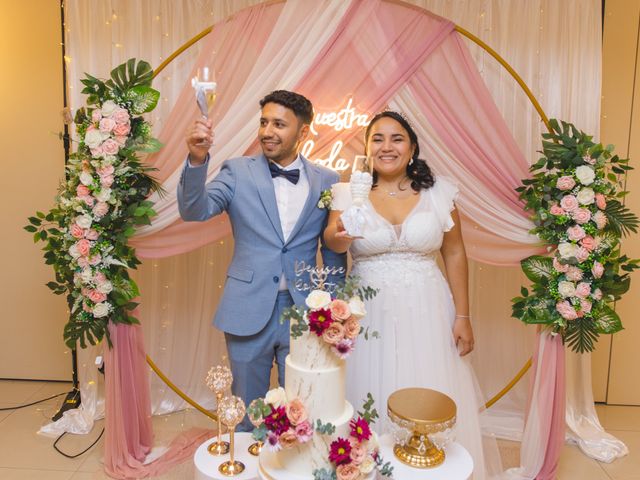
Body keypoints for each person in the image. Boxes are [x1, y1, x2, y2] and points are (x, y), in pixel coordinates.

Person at [324, 111, 501, 478]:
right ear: (367, 147)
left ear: (413, 146)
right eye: (377, 139)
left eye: (396, 138)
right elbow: (331, 239)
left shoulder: (439, 193)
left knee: (429, 388)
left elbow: (454, 252)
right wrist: (338, 237)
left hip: (428, 309)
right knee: (364, 395)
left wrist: (463, 316)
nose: (386, 147)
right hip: (367, 312)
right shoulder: (346, 191)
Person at [178, 90, 346, 430]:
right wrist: (196, 160)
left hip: (303, 313)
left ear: (303, 132)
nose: (267, 131)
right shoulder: (237, 171)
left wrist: (332, 310)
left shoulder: (327, 181)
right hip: (246, 308)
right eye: (264, 122)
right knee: (246, 413)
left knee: (300, 411)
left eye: (279, 124)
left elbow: (332, 253)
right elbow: (194, 210)